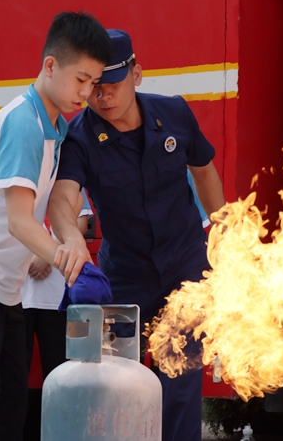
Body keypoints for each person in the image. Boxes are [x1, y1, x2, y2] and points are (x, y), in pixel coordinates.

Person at [0, 11, 111, 441]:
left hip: (3, 282)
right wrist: (73, 266)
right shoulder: (24, 123)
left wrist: (71, 244)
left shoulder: (58, 127)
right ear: (50, 65)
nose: (86, 93)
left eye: (94, 84)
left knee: (8, 402)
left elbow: (56, 209)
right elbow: (18, 222)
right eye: (80, 80)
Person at [48, 28, 225, 441]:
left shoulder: (175, 114)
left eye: (112, 85)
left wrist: (224, 226)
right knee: (114, 383)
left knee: (180, 383)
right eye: (94, 88)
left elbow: (202, 169)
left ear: (137, 74)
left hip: (185, 269)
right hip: (125, 278)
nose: (103, 97)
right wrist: (71, 241)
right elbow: (63, 198)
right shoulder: (80, 137)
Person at [22, 187, 93, 440]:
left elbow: (82, 224)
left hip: (56, 299)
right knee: (14, 372)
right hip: (18, 296)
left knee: (59, 371)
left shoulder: (70, 183)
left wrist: (47, 254)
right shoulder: (25, 177)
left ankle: (60, 432)